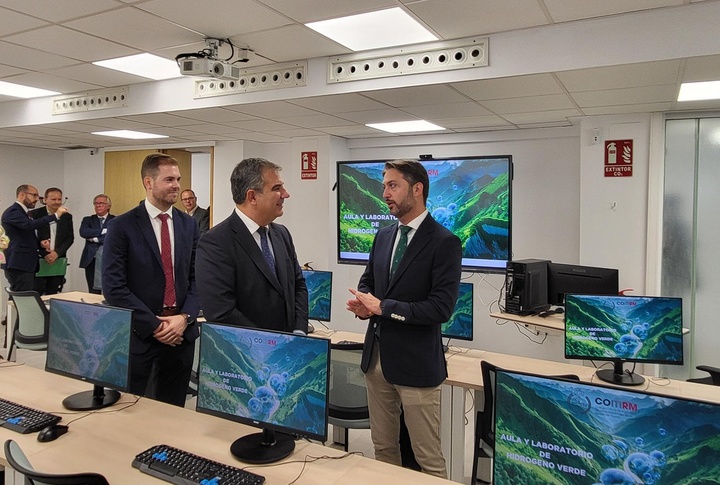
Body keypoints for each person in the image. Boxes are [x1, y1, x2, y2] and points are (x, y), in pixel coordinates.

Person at [346, 160, 461, 479]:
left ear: (417, 189)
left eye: (392, 185)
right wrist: (363, 303)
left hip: (416, 364)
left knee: (427, 457)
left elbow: (440, 308)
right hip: (376, 359)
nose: (385, 193)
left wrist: (384, 307)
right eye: (384, 186)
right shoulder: (383, 236)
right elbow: (369, 281)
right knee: (383, 449)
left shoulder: (444, 242)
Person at [102, 153, 200, 407]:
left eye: (178, 179)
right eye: (169, 179)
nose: (176, 185)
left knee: (173, 409)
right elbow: (114, 287)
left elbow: (197, 278)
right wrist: (156, 326)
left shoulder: (188, 225)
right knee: (134, 409)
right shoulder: (122, 226)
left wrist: (184, 318)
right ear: (148, 182)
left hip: (180, 335)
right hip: (140, 335)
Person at [196, 157, 308, 334]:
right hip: (246, 353)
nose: (285, 194)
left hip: (288, 346)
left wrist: (299, 331)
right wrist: (266, 342)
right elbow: (220, 312)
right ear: (252, 196)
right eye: (277, 188)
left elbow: (298, 286)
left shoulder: (282, 234)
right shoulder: (216, 242)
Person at [1, 185, 68, 291]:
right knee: (21, 297)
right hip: (18, 263)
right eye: (34, 195)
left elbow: (24, 234)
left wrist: (39, 243)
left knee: (25, 295)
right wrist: (55, 216)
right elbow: (29, 225)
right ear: (22, 195)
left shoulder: (24, 212)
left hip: (25, 264)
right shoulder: (13, 211)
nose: (37, 199)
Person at [31, 187, 74, 295]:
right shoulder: (35, 214)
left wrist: (57, 253)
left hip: (58, 259)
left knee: (53, 292)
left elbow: (69, 238)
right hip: (39, 258)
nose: (57, 202)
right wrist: (44, 252)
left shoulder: (67, 216)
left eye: (59, 199)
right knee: (37, 291)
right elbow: (31, 236)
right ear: (45, 200)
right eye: (53, 199)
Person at [79, 194, 114, 294]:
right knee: (93, 291)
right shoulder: (88, 220)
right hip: (91, 259)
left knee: (109, 290)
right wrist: (103, 231)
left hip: (109, 259)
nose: (98, 205)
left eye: (101, 203)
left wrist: (95, 239)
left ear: (108, 206)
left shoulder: (115, 220)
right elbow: (83, 232)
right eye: (96, 203)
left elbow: (112, 237)